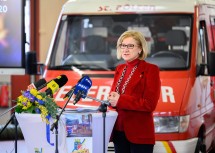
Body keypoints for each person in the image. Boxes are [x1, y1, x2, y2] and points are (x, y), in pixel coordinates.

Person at [108, 30, 161, 153]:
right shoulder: (120, 69)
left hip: (140, 135)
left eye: (130, 46)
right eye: (123, 45)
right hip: (119, 132)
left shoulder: (151, 70)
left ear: (140, 49)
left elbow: (149, 104)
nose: (125, 49)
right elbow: (114, 97)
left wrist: (120, 100)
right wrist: (109, 101)